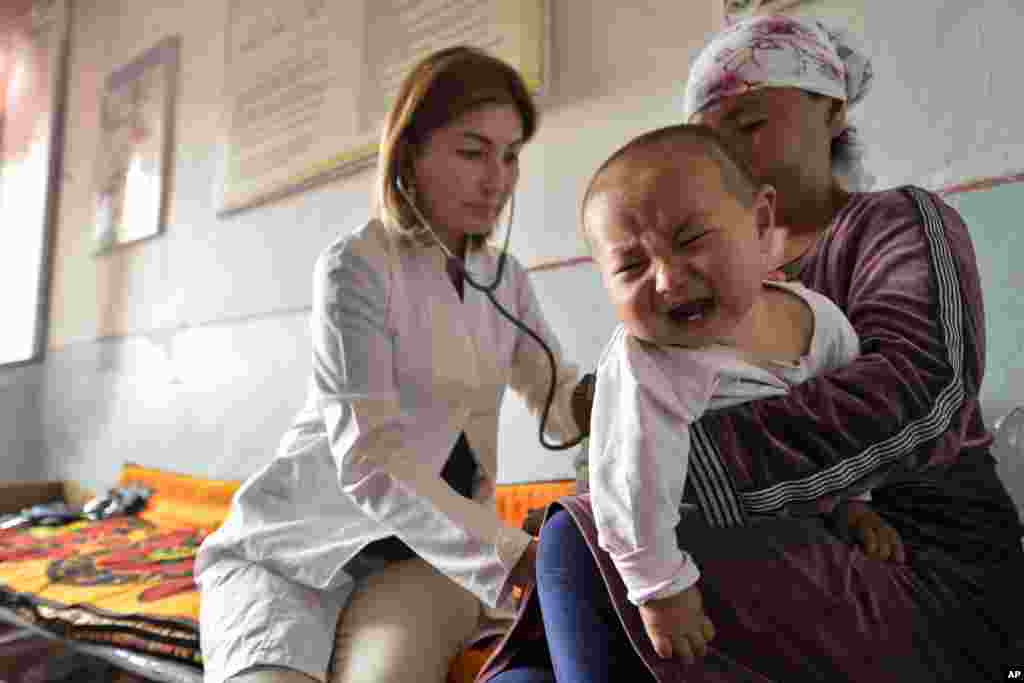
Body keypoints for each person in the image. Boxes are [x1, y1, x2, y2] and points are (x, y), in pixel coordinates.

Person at [480, 14, 1024, 683]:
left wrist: (668, 470)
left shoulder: (894, 225)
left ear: (831, 110)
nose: (729, 154)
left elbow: (921, 392)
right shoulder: (691, 298)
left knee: (589, 543)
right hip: (784, 545)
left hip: (924, 564)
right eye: (709, 142)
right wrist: (625, 462)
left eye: (751, 124)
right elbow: (632, 432)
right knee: (553, 611)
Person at [194, 46, 591, 683]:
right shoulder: (357, 265)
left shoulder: (504, 279)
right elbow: (369, 456)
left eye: (510, 155)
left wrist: (625, 401)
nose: (498, 179)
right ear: (410, 152)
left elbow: (554, 392)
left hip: (424, 557)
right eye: (472, 151)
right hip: (297, 544)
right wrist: (515, 555)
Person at [581, 123, 904, 664]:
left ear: (758, 223)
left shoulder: (820, 322)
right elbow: (629, 483)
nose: (666, 280)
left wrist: (854, 505)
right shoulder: (648, 363)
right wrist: (660, 589)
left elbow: (848, 431)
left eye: (690, 241)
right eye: (631, 266)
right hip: (679, 543)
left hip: (795, 538)